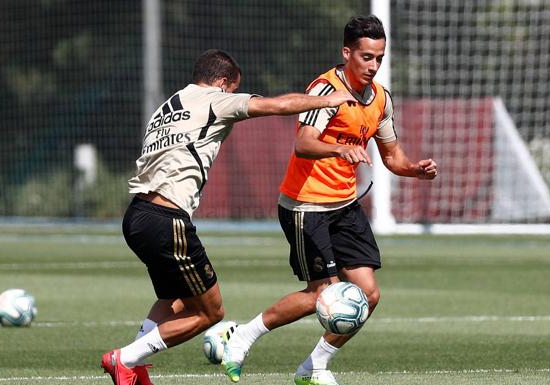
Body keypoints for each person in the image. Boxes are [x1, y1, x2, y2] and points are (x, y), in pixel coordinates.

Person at [99, 48, 354, 385]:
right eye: (234, 89)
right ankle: (125, 358)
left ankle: (135, 367)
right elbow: (276, 106)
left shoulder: (170, 105)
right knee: (209, 312)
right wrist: (329, 100)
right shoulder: (216, 100)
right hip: (167, 219)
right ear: (222, 83)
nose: (235, 96)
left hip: (137, 216)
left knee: (172, 296)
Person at [220, 15, 438, 385]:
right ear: (346, 52)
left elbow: (392, 156)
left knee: (368, 295)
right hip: (305, 206)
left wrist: (414, 169)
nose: (373, 65)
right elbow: (303, 144)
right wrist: (340, 149)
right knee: (320, 293)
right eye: (366, 57)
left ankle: (313, 368)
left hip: (344, 206)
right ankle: (242, 336)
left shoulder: (381, 100)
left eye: (379, 58)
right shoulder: (325, 89)